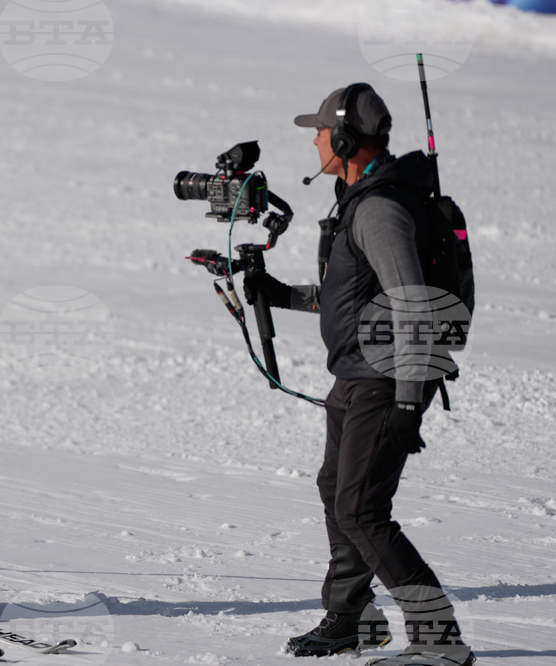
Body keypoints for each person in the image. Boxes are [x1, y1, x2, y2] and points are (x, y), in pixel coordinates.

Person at [244, 84, 474, 666]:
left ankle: (440, 643)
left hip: (383, 380)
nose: (315, 141)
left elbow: (412, 301)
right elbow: (351, 298)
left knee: (363, 511)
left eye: (320, 132)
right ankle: (352, 619)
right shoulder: (360, 201)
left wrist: (405, 402)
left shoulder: (378, 209)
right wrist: (278, 294)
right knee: (335, 491)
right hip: (354, 377)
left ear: (344, 139)